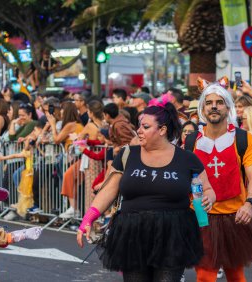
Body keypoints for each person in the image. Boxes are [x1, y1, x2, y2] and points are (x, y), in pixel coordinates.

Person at [77, 101, 216, 281]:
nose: (139, 131)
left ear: (162, 130)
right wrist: (88, 219)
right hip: (132, 232)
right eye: (139, 126)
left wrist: (208, 198)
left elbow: (208, 189)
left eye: (145, 126)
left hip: (172, 233)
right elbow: (109, 191)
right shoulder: (128, 154)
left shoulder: (187, 159)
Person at [189, 78, 252, 281]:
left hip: (234, 217)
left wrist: (250, 203)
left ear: (228, 107)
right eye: (208, 103)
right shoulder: (191, 140)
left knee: (236, 275)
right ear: (202, 109)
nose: (214, 107)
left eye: (219, 102)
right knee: (205, 276)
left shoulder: (243, 139)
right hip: (200, 217)